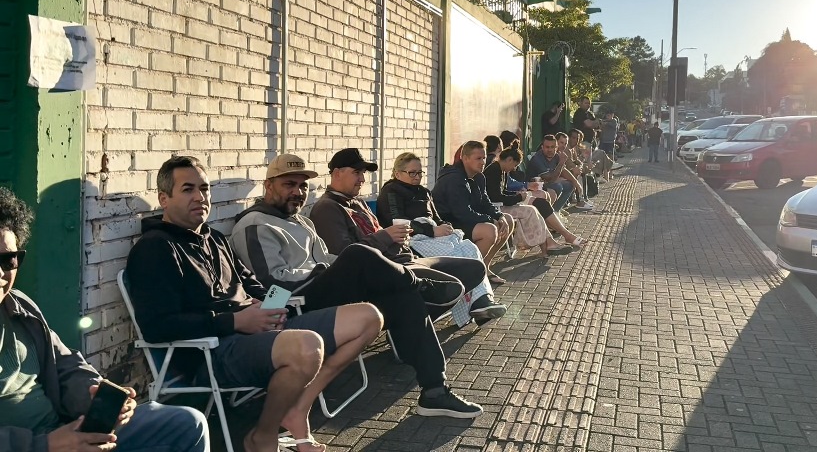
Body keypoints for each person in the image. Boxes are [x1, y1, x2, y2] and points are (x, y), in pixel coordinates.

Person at [126, 156, 382, 452]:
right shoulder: (155, 249)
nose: (200, 197)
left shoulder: (215, 240)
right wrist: (235, 322)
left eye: (205, 188)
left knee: (368, 316)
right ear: (164, 198)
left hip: (259, 332)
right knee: (307, 346)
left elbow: (255, 285)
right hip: (214, 350)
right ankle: (263, 436)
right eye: (187, 189)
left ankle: (298, 408)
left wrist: (272, 308)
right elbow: (158, 326)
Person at [230, 154, 482, 418]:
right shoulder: (254, 225)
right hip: (288, 302)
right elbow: (272, 285)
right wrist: (334, 270)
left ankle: (435, 391)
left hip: (322, 290)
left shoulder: (301, 222)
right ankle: (420, 284)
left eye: (302, 186)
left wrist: (344, 270)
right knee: (359, 254)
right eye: (289, 185)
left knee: (403, 298)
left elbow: (326, 258)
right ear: (268, 186)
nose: (297, 192)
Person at [0, 187, 210, 452]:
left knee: (187, 423)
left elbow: (64, 364)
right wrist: (46, 444)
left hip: (68, 432)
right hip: (39, 445)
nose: (1, 273)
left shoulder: (19, 308)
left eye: (8, 260)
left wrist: (97, 396)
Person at [308, 148, 508, 317]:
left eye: (419, 173)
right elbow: (346, 254)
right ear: (337, 173)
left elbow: (389, 229)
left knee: (473, 265)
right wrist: (393, 236)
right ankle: (417, 314)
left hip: (404, 256)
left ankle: (476, 303)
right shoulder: (328, 208)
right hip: (393, 264)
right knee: (452, 283)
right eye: (356, 173)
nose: (362, 179)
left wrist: (442, 227)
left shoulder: (359, 202)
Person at [431, 141, 516, 285]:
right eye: (478, 158)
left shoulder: (479, 177)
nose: (483, 162)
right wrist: (490, 220)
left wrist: (499, 216)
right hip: (448, 223)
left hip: (465, 218)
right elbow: (461, 213)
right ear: (464, 158)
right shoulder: (453, 178)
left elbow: (485, 203)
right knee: (489, 231)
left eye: (483, 158)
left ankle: (484, 267)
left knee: (507, 220)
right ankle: (469, 274)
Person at [483, 140, 586, 255]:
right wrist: (519, 197)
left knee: (539, 204)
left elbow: (502, 192)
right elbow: (495, 196)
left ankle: (550, 243)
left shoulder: (501, 170)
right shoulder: (495, 171)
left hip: (502, 204)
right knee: (533, 209)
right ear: (509, 160)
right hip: (496, 208)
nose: (513, 169)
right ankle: (551, 243)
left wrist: (519, 195)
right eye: (515, 165)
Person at [526, 135, 575, 212]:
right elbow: (550, 179)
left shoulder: (556, 156)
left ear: (556, 148)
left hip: (546, 183)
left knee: (570, 185)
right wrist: (561, 163)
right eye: (547, 147)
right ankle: (549, 213)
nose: (550, 150)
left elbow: (563, 171)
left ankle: (555, 211)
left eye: (552, 147)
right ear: (542, 147)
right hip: (534, 185)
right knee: (557, 186)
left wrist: (576, 183)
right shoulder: (537, 158)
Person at [555, 131, 594, 211]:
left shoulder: (572, 149)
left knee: (580, 173)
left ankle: (583, 198)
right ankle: (580, 201)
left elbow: (577, 162)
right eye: (573, 138)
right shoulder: (564, 150)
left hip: (561, 173)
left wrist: (582, 166)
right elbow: (569, 165)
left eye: (578, 139)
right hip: (554, 176)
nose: (576, 141)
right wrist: (577, 168)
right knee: (576, 174)